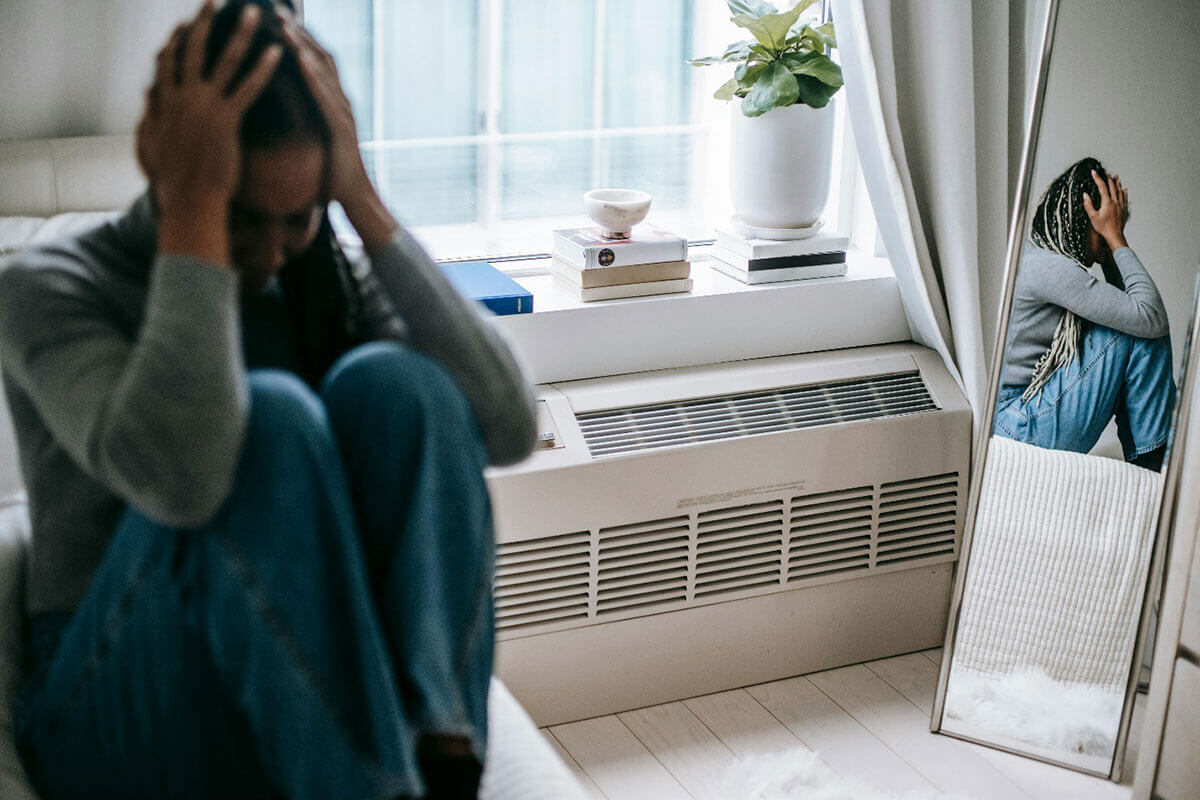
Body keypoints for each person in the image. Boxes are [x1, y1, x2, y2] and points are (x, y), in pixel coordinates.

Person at [0, 1, 536, 798]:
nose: (272, 255)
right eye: (242, 217)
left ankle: (440, 759)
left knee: (401, 386)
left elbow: (506, 426)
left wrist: (362, 201)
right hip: (109, 704)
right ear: (171, 160)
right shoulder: (50, 285)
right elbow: (184, 479)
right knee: (274, 418)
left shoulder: (324, 280)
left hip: (294, 686)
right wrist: (192, 218)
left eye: (300, 220)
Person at [993, 156, 1174, 470]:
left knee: (1138, 328)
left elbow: (1135, 310)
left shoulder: (1040, 256)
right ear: (1086, 219)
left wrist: (1108, 252)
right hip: (1016, 427)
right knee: (1140, 331)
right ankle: (1156, 462)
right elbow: (1148, 316)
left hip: (1016, 420)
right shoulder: (1050, 268)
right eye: (1105, 223)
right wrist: (1116, 238)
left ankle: (1153, 459)